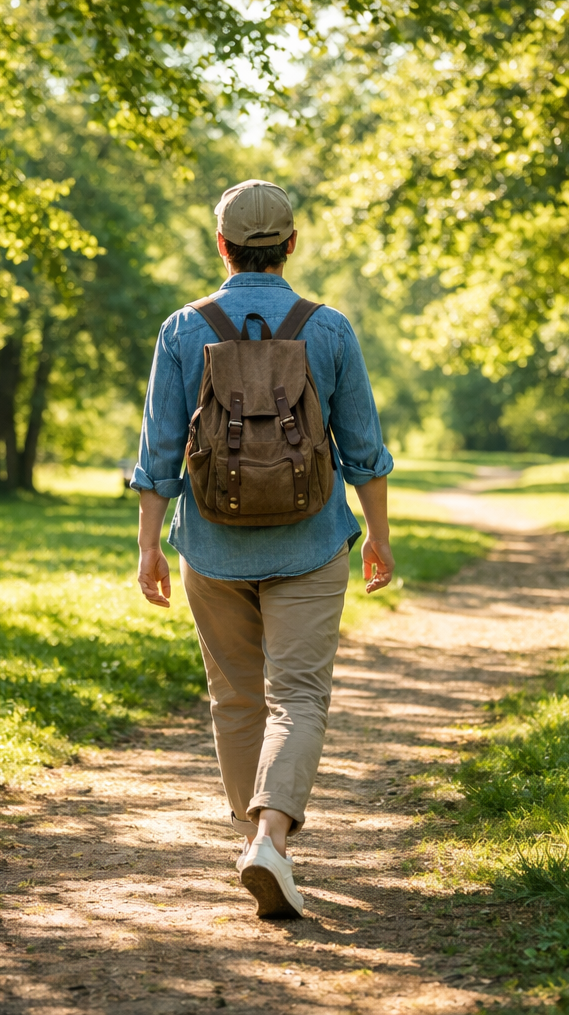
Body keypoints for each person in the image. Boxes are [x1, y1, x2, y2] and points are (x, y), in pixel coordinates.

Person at [130, 179, 395, 919]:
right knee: (299, 696)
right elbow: (364, 448)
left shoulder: (185, 329)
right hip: (311, 544)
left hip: (212, 548)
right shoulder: (330, 328)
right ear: (291, 245)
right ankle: (271, 840)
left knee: (236, 698)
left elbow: (157, 452)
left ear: (221, 246)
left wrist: (148, 546)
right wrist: (377, 533)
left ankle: (256, 840)